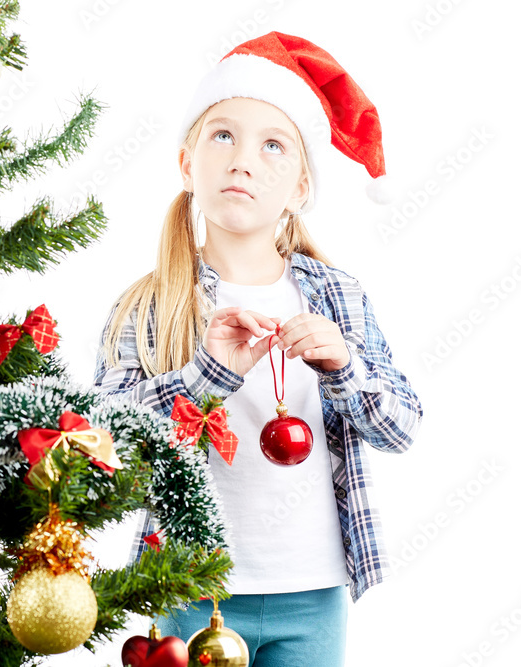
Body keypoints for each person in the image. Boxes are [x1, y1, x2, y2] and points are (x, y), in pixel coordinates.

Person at [91, 32, 423, 666]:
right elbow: (103, 444)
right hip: (187, 586)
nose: (243, 160)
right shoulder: (151, 304)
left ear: (301, 186)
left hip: (312, 591)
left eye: (273, 145)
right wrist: (207, 374)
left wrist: (345, 368)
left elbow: (403, 428)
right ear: (188, 164)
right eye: (223, 136)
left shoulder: (338, 296)